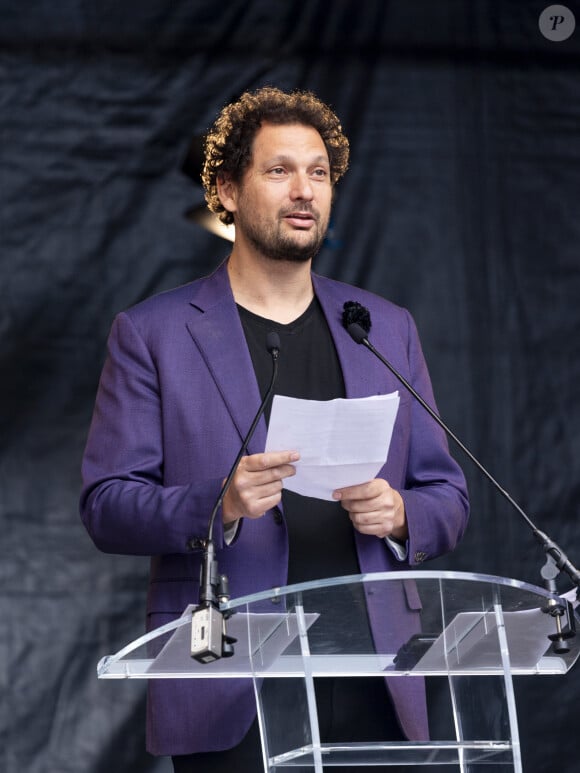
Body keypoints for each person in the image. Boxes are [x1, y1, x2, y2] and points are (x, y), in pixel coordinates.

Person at [80, 86, 469, 772]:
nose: (304, 191)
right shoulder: (153, 334)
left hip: (375, 677)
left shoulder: (383, 326)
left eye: (319, 173)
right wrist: (217, 503)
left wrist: (404, 512)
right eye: (279, 170)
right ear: (226, 191)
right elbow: (107, 505)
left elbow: (448, 493)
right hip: (233, 683)